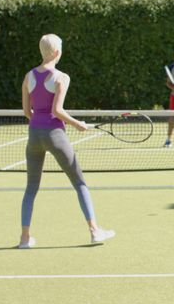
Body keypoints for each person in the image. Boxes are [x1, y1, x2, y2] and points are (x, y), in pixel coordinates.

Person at [19, 34, 115, 248]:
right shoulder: (62, 77)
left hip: (34, 134)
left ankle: (25, 239)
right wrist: (77, 124)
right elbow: (57, 110)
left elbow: (28, 112)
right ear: (57, 52)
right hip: (55, 135)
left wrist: (41, 121)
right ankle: (95, 231)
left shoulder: (28, 76)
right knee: (80, 183)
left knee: (31, 188)